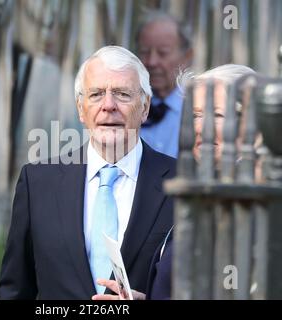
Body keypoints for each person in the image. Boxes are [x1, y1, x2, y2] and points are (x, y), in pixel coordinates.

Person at [0, 45, 176, 299]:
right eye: (96, 94)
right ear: (81, 109)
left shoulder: (180, 185)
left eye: (123, 94)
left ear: (145, 107)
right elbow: (14, 289)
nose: (108, 105)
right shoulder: (37, 183)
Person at [92, 64, 256, 300]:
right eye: (197, 115)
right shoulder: (203, 192)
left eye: (218, 115)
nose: (201, 128)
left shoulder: (252, 200)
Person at [137, 10, 193, 158]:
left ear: (187, 57)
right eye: (144, 52)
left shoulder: (197, 112)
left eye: (163, 53)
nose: (151, 62)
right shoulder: (126, 107)